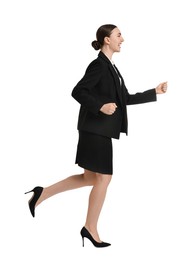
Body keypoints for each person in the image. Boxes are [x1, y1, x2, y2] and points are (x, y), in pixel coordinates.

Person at [25, 24, 167, 248]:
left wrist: (154, 92)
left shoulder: (112, 68)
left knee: (91, 178)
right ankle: (90, 228)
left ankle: (42, 193)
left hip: (100, 131)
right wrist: (100, 106)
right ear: (106, 40)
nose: (123, 39)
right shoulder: (98, 65)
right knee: (104, 178)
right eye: (119, 35)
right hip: (95, 130)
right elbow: (78, 91)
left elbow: (125, 99)